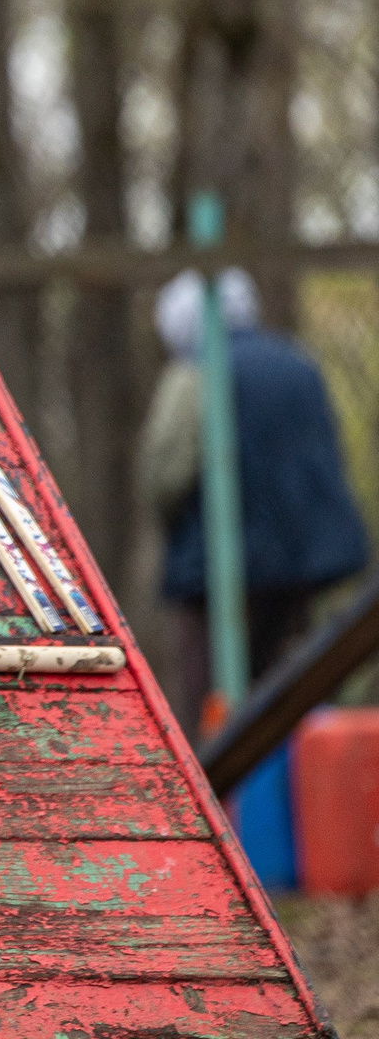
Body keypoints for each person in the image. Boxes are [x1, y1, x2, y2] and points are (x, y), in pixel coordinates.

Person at [137, 268, 368, 737]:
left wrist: (177, 530)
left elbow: (166, 471)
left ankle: (220, 794)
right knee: (292, 687)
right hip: (304, 564)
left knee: (216, 705)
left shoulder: (195, 371)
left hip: (218, 568)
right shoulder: (300, 365)